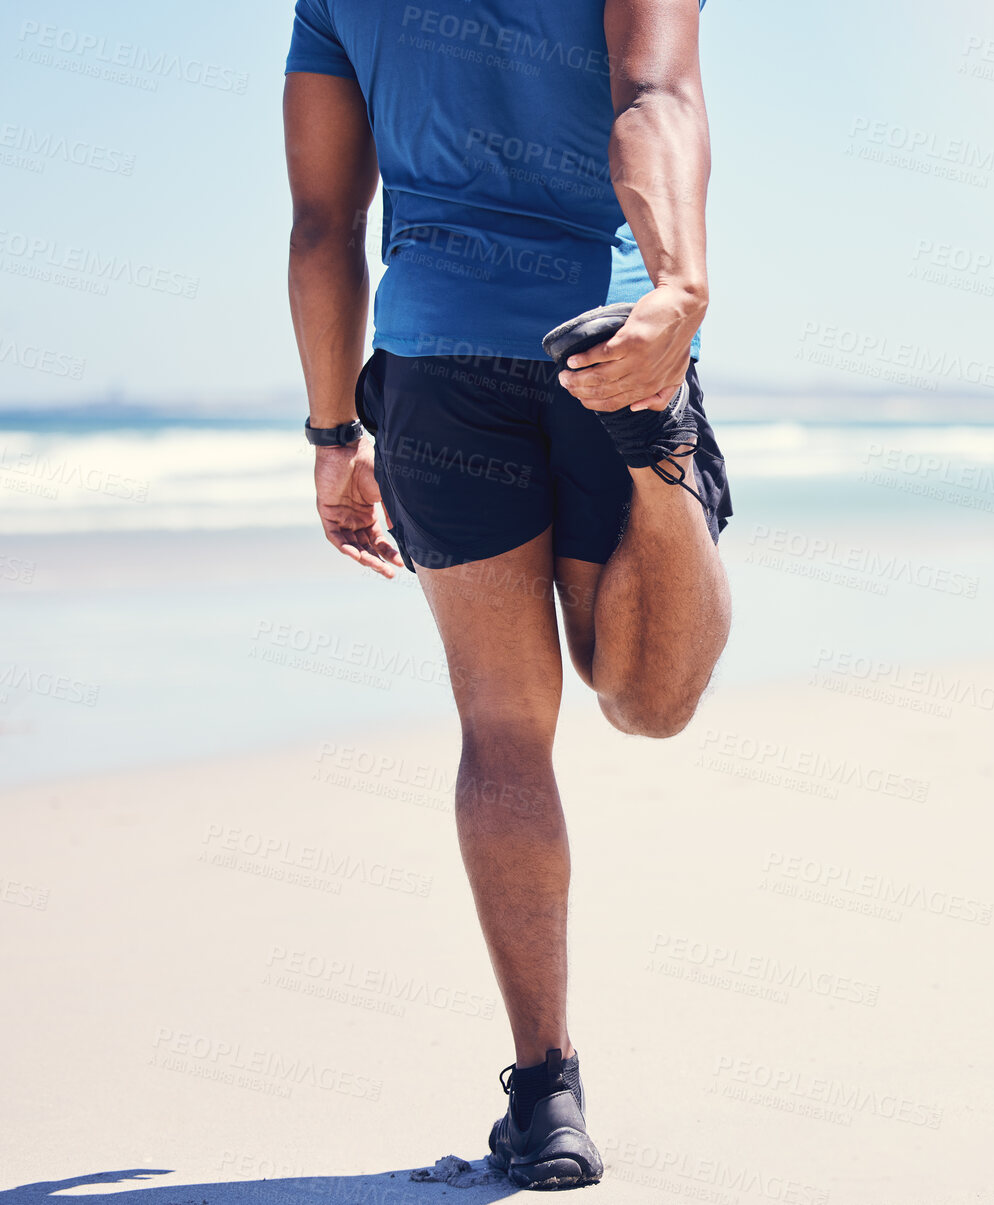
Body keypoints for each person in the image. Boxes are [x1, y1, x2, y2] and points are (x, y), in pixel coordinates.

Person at [282, 0, 731, 1189]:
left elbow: (326, 220)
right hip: (606, 331)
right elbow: (656, 95)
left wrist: (335, 431)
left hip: (435, 363)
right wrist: (678, 294)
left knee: (502, 724)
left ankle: (547, 1098)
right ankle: (661, 448)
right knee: (649, 701)